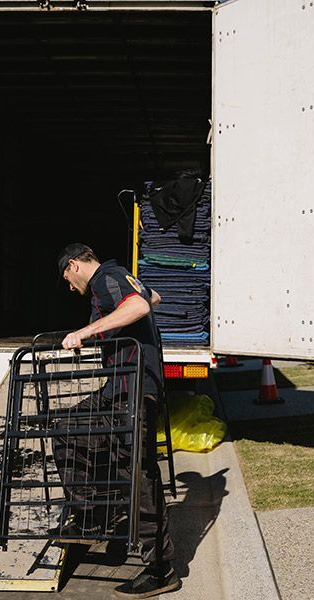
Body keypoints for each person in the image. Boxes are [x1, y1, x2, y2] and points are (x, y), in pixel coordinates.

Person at [55, 243, 180, 598]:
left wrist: (87, 331)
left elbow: (140, 305)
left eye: (67, 277)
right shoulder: (119, 275)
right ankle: (92, 514)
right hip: (119, 390)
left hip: (134, 389)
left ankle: (161, 570)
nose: (69, 287)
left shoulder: (104, 279)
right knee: (68, 430)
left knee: (138, 473)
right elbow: (153, 296)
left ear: (75, 265)